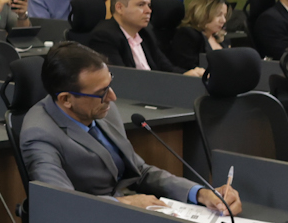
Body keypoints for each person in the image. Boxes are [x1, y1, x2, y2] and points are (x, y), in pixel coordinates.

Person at [19, 43, 239, 214]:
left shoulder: (102, 109)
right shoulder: (40, 134)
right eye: (101, 92)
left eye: (109, 85)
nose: (113, 97)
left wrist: (200, 193)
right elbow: (61, 203)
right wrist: (124, 203)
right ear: (66, 99)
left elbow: (139, 172)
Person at [88, 0, 200, 76]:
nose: (148, 11)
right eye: (141, 5)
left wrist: (187, 75)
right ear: (120, 8)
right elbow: (121, 79)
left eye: (148, 5)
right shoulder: (104, 36)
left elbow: (166, 67)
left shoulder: (145, 32)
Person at [171, 0, 230, 70]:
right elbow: (189, 68)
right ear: (203, 14)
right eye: (219, 15)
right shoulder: (188, 35)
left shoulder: (222, 38)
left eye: (225, 16)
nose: (223, 20)